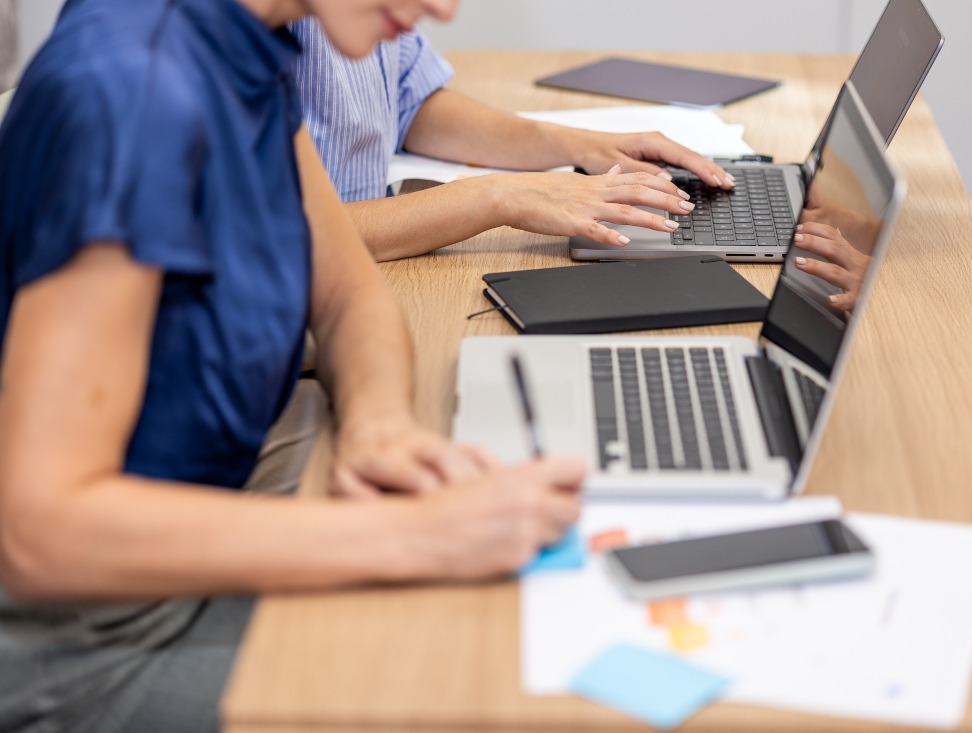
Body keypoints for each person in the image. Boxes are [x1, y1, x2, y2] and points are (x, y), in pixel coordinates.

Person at [0, 0, 584, 731]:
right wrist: (421, 535)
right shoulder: (134, 90)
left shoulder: (239, 45)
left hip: (210, 528)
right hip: (88, 645)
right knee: (476, 681)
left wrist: (378, 424)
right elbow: (38, 531)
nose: (445, 8)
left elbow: (344, 292)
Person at [290, 20, 737, 260]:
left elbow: (406, 103)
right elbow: (284, 241)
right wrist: (501, 195)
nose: (440, 11)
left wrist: (576, 144)